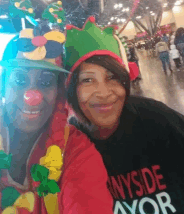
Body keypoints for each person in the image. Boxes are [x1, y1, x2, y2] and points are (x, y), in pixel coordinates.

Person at [0, 1, 113, 213]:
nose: (31, 96)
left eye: (45, 82)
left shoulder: (76, 151)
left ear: (59, 92)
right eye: (19, 79)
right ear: (2, 85)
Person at [64, 17, 184, 214]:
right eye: (87, 80)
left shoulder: (156, 119)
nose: (103, 93)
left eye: (112, 77)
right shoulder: (71, 147)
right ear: (71, 90)